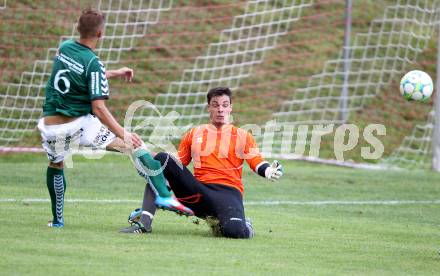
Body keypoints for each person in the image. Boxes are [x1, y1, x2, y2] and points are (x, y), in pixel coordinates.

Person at [38, 8, 193, 228]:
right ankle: (163, 195)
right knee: (132, 144)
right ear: (100, 33)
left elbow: (79, 75)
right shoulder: (93, 62)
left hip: (52, 126)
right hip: (80, 123)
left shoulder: (64, 49)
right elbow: (99, 108)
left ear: (78, 27)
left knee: (56, 164)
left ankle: (57, 221)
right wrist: (124, 132)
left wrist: (114, 73)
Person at [121, 87, 283, 238]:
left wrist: (268, 171)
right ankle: (144, 223)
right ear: (209, 108)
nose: (220, 109)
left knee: (234, 232)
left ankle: (244, 224)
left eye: (224, 105)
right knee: (162, 162)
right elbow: (176, 166)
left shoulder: (243, 136)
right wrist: (158, 179)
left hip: (228, 194)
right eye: (215, 105)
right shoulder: (194, 134)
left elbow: (256, 161)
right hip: (199, 193)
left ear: (230, 108)